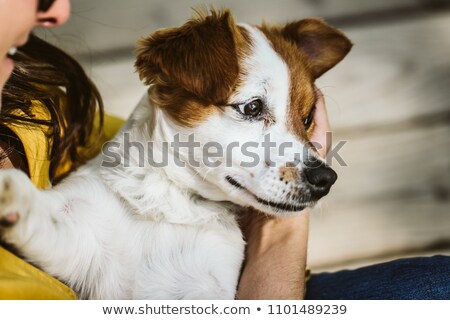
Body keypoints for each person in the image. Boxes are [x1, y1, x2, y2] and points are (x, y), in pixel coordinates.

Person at [1, 0, 448, 301]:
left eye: (303, 119)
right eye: (252, 108)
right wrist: (14, 196)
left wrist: (280, 228)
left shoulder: (223, 238)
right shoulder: (100, 194)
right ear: (177, 81)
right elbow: (47, 230)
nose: (312, 163)